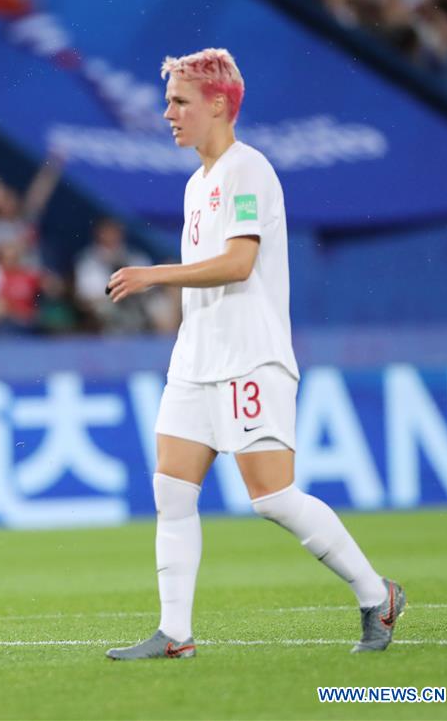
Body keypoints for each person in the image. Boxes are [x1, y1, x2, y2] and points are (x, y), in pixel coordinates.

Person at [104, 49, 404, 660]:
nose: (168, 113)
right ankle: (175, 635)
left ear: (218, 105)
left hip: (250, 357)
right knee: (172, 492)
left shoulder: (250, 171)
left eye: (180, 102)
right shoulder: (197, 183)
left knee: (272, 498)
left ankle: (378, 596)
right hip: (195, 359)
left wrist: (154, 274)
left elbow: (240, 262)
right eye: (169, 102)